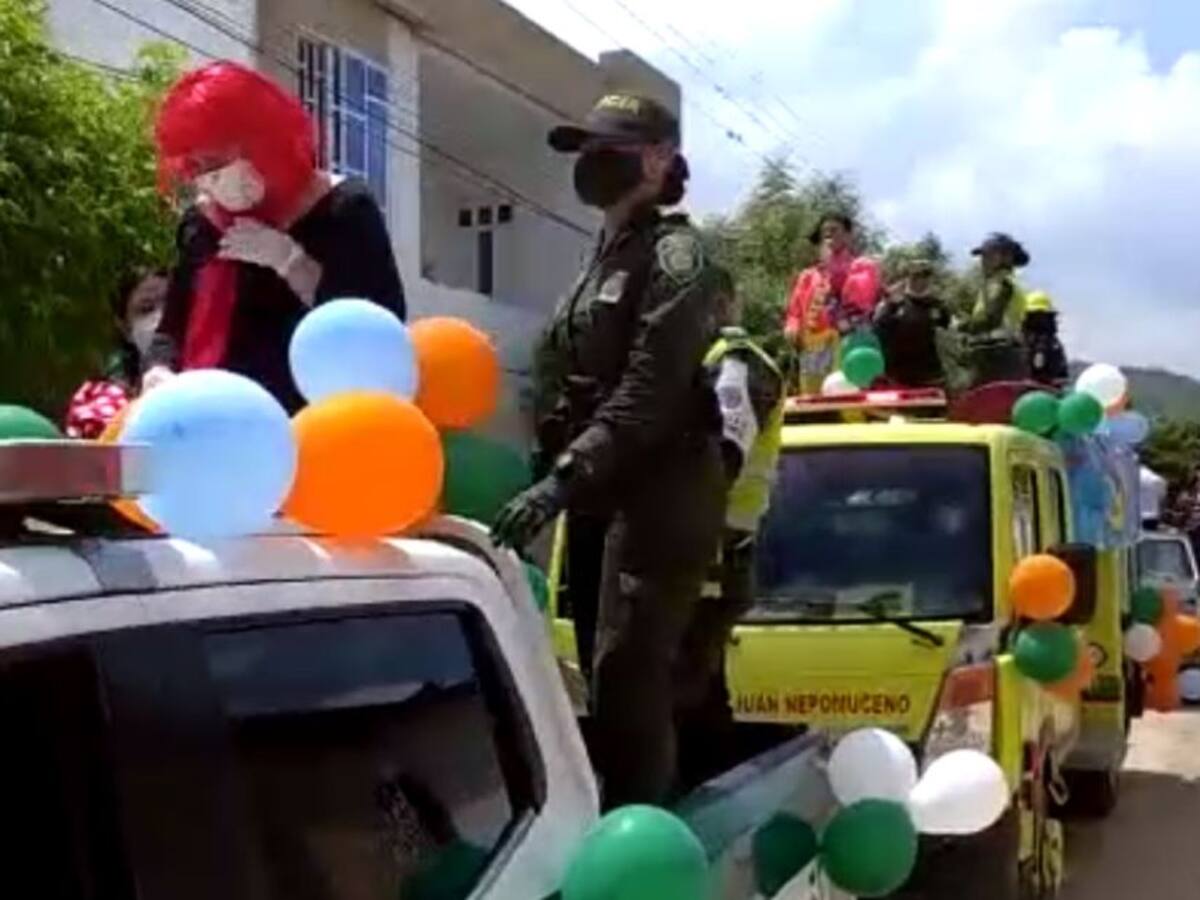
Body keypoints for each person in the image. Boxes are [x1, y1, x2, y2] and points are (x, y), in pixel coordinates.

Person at [491, 93, 726, 808]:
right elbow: (576, 383)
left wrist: (559, 481)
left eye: (610, 149)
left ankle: (642, 836)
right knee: (614, 676)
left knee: (626, 676)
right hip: (604, 488)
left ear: (657, 159)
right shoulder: (606, 256)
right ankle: (662, 803)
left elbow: (648, 394)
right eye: (585, 150)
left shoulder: (680, 257)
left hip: (661, 490)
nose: (592, 164)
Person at [144, 61, 405, 412]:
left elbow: (380, 327)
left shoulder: (343, 208)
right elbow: (172, 327)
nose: (207, 178)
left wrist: (293, 263)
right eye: (195, 166)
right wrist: (157, 371)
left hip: (311, 427)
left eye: (215, 161)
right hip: (212, 421)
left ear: (261, 143)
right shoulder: (203, 222)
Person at [677, 267, 785, 788]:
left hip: (713, 544)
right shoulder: (712, 359)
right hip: (716, 542)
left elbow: (726, 451)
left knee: (691, 687)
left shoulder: (734, 363)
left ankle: (704, 798)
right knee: (699, 681)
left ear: (716, 306)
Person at [782, 213, 881, 393]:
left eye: (834, 230)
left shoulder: (862, 267)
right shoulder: (808, 277)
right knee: (813, 400)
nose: (828, 235)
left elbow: (861, 299)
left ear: (849, 235)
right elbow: (795, 311)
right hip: (813, 348)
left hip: (849, 343)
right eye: (824, 233)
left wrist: (834, 267)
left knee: (849, 398)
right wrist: (792, 325)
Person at [64, 269, 169, 439]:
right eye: (146, 309)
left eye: (172, 306)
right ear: (125, 327)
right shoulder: (101, 402)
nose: (163, 317)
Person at [958, 232, 1030, 386]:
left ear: (1005, 257)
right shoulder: (1010, 283)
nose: (983, 261)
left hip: (994, 356)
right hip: (1008, 355)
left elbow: (990, 318)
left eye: (988, 255)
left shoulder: (999, 284)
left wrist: (961, 326)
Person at [872, 258, 950, 388]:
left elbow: (946, 337)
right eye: (915, 276)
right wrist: (890, 305)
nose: (920, 281)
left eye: (925, 276)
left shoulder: (939, 306)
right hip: (899, 378)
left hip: (931, 377)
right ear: (908, 278)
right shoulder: (893, 304)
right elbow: (878, 330)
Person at [1022, 290, 1069, 387]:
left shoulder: (1052, 344)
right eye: (1034, 317)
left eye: (1041, 317)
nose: (1038, 321)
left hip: (1047, 393)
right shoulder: (1020, 341)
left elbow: (1061, 377)